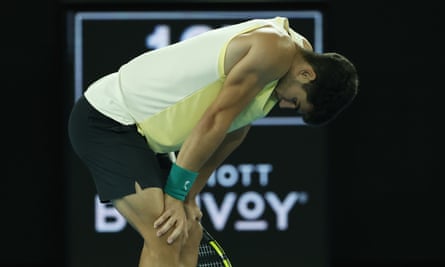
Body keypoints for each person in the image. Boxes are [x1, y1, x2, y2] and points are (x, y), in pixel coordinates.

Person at [68, 16, 359, 267]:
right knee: (165, 235)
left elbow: (233, 130)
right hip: (110, 118)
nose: (284, 105)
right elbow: (215, 120)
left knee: (189, 231)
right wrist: (175, 195)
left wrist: (190, 194)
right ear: (307, 73)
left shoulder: (294, 59)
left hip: (145, 135)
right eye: (295, 101)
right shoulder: (275, 50)